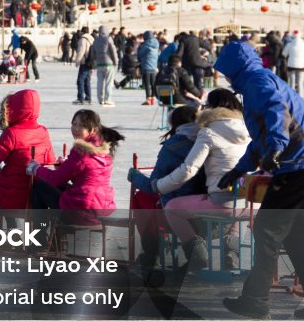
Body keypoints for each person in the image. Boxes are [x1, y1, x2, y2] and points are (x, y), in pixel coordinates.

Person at [214, 40, 304, 319]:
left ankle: (255, 300)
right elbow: (262, 136)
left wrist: (276, 147)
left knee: (267, 228)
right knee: (296, 234)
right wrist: (240, 169)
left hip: (301, 167)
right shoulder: (261, 80)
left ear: (236, 68)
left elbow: (276, 114)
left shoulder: (257, 82)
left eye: (226, 72)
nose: (225, 78)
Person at [149, 89, 249, 270]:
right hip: (251, 201)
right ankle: (231, 251)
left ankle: (197, 255)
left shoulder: (209, 132)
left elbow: (188, 169)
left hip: (222, 201)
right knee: (240, 204)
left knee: (172, 208)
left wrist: (160, 186)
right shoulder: (250, 129)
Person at [127, 105, 206, 270]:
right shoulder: (208, 139)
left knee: (142, 197)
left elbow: (153, 185)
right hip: (212, 200)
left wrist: (135, 176)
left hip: (180, 207)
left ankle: (152, 251)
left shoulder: (172, 147)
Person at [26, 109, 124, 225]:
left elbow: (55, 178)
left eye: (81, 126)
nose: (75, 129)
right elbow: (86, 174)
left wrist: (36, 168)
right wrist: (65, 166)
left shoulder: (81, 151)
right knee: (59, 186)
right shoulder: (103, 149)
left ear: (93, 130)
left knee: (40, 186)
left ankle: (39, 237)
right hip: (101, 207)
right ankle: (54, 234)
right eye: (74, 124)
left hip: (81, 210)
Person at [91, 26, 117, 107]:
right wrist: (116, 62)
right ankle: (107, 99)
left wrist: (95, 60)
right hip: (109, 64)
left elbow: (92, 52)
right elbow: (113, 51)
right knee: (109, 82)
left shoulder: (96, 40)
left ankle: (100, 99)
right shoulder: (108, 39)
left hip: (99, 64)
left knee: (100, 82)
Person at [137, 30, 160, 105]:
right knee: (153, 83)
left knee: (147, 84)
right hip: (154, 67)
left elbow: (140, 54)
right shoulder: (156, 43)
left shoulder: (145, 45)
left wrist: (139, 49)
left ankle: (148, 99)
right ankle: (153, 98)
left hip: (146, 66)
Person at [281, 30, 304, 94]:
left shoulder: (289, 44)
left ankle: (292, 97)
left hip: (291, 65)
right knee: (300, 83)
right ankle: (300, 97)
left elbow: (284, 54)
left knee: (291, 83)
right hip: (301, 65)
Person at [72, 27, 93, 105]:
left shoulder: (83, 40)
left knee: (80, 80)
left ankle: (80, 98)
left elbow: (81, 51)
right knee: (87, 80)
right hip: (91, 63)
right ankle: (88, 98)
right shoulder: (92, 39)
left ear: (82, 32)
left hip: (84, 62)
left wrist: (77, 61)